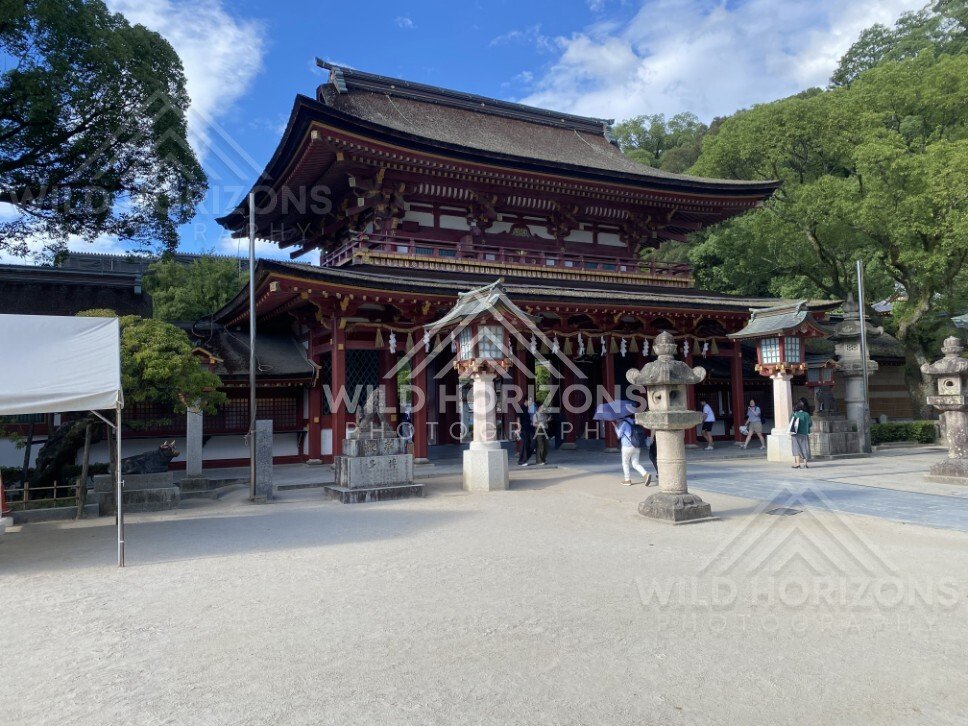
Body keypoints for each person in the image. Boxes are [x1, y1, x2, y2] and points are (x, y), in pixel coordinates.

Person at [613, 415, 652, 486]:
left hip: (627, 446)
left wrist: (615, 427)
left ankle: (627, 480)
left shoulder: (624, 423)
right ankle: (646, 474)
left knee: (625, 463)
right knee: (636, 464)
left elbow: (619, 435)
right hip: (637, 445)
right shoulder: (636, 422)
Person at [790, 401, 813, 469]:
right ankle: (805, 464)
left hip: (796, 434)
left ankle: (798, 464)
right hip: (804, 434)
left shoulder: (794, 414)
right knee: (805, 448)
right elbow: (810, 424)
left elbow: (790, 422)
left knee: (796, 448)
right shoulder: (806, 414)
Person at [516, 397, 535, 466]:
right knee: (524, 444)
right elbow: (518, 418)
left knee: (533, 443)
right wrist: (519, 428)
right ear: (526, 400)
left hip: (530, 428)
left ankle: (526, 458)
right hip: (523, 429)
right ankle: (521, 461)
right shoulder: (520, 407)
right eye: (530, 401)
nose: (531, 402)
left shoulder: (529, 409)